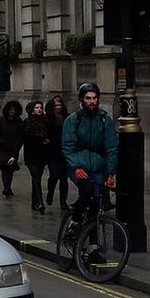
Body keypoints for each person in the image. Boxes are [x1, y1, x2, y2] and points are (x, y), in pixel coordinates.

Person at [61, 82, 118, 215]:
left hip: (98, 166)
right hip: (80, 165)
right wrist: (76, 166)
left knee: (97, 200)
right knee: (87, 191)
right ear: (82, 99)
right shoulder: (73, 120)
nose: (92, 101)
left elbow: (111, 148)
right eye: (88, 98)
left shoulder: (105, 120)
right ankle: (75, 222)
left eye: (94, 98)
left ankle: (92, 232)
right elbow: (67, 147)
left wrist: (110, 173)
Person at [22, 101, 53, 213]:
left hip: (42, 155)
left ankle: (34, 202)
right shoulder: (27, 122)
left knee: (37, 179)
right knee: (36, 178)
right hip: (31, 155)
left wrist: (47, 141)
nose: (39, 109)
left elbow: (50, 136)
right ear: (32, 109)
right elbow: (24, 139)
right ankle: (40, 202)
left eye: (40, 107)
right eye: (37, 107)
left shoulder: (45, 122)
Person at [43, 95, 70, 215]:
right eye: (56, 105)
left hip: (64, 152)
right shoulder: (48, 119)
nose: (58, 107)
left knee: (64, 179)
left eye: (60, 105)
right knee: (54, 176)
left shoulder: (67, 118)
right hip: (52, 152)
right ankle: (50, 192)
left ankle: (63, 202)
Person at [0, 100, 24, 198]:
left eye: (14, 109)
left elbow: (21, 136)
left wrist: (17, 148)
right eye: (10, 109)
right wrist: (0, 142)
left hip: (13, 149)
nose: (12, 111)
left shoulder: (18, 121)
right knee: (4, 168)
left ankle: (8, 187)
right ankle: (6, 187)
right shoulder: (1, 120)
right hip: (2, 149)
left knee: (10, 169)